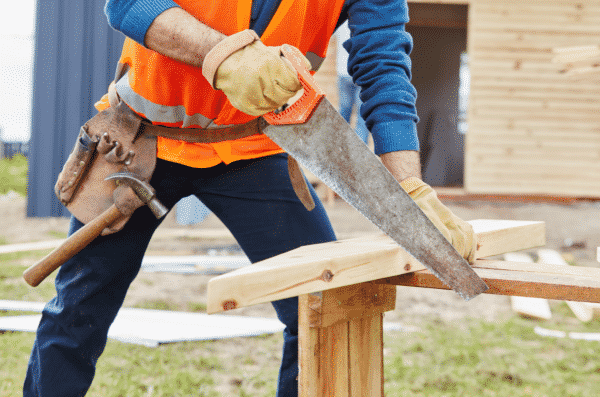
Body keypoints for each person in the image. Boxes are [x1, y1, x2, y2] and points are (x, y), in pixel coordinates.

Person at [24, 1, 477, 396]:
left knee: (320, 308)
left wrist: (408, 189)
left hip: (254, 148)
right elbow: (128, 4)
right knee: (78, 313)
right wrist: (222, 57)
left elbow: (383, 67)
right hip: (142, 142)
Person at [335, 20, 369, 144]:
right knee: (361, 117)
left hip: (350, 74)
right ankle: (355, 156)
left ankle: (340, 148)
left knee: (345, 113)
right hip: (358, 74)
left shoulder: (342, 20)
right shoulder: (367, 20)